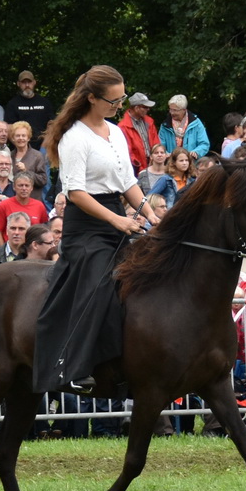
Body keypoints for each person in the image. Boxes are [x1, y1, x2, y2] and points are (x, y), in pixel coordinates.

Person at [32, 67, 160, 395]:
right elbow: (75, 192)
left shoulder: (115, 132)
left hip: (117, 213)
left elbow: (128, 182)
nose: (120, 106)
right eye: (113, 101)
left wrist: (151, 215)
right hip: (85, 226)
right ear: (92, 98)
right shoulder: (75, 137)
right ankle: (74, 368)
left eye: (122, 99)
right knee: (100, 282)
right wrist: (116, 221)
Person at [5, 71, 55, 141]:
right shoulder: (12, 104)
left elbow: (52, 124)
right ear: (18, 84)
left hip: (42, 145)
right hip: (21, 144)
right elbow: (9, 128)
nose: (27, 85)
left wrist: (45, 144)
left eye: (29, 82)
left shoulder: (45, 102)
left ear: (34, 82)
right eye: (23, 82)